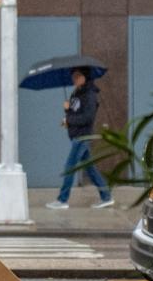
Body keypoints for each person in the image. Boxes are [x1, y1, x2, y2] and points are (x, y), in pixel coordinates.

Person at [46, 68, 114, 209]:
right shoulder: (77, 92)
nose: (74, 79)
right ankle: (106, 196)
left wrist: (69, 120)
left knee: (69, 167)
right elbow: (75, 112)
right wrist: (67, 110)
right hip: (77, 134)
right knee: (90, 169)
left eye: (77, 76)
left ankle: (62, 200)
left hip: (83, 136)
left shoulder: (90, 94)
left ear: (85, 77)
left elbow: (87, 118)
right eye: (73, 76)